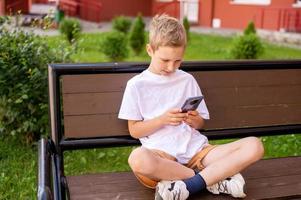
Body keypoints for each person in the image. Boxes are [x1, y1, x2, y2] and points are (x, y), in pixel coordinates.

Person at [118, 14, 264, 200]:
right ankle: (211, 180)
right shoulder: (136, 85)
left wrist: (194, 120)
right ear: (150, 50)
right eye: (165, 60)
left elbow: (201, 122)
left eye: (178, 61)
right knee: (137, 159)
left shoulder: (187, 79)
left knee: (254, 146)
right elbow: (134, 131)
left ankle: (187, 185)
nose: (171, 67)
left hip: (198, 153)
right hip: (163, 158)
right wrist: (162, 120)